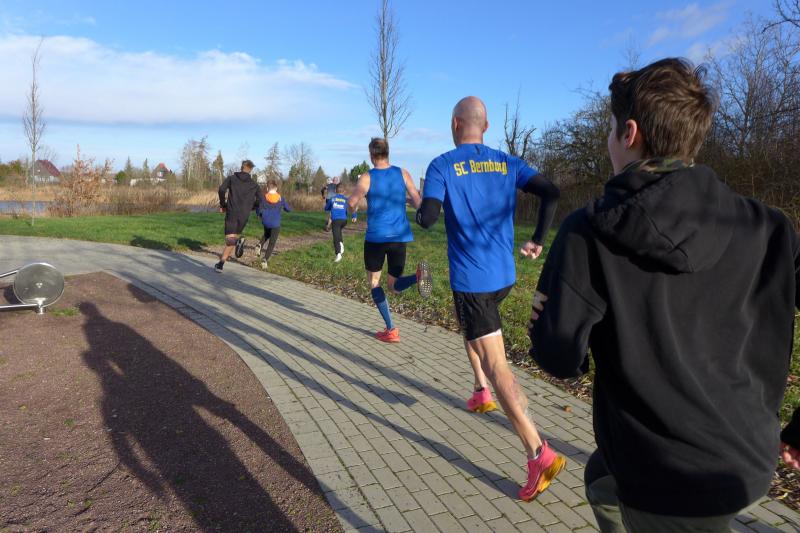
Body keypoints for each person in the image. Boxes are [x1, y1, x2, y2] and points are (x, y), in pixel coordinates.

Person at [528, 57, 800, 532]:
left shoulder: (589, 232)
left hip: (666, 478)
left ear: (630, 134)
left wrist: (547, 323)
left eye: (610, 130)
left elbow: (558, 355)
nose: (608, 141)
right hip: (748, 454)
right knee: (601, 479)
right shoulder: (769, 227)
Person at [416, 96, 563, 502]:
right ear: (486, 126)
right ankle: (481, 388)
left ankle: (539, 452)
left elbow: (427, 219)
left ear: (454, 124)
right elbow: (551, 193)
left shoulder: (442, 165)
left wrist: (416, 197)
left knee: (498, 364)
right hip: (503, 278)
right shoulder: (507, 162)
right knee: (474, 331)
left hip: (474, 282)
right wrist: (538, 239)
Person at [348, 137, 432, 343]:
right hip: (399, 237)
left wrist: (353, 207)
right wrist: (408, 202)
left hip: (376, 238)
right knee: (393, 286)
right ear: (388, 152)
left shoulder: (367, 177)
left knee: (374, 283)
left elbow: (351, 202)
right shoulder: (403, 173)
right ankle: (417, 276)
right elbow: (418, 201)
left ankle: (391, 329)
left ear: (371, 155)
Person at [215, 160, 260, 273]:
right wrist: (252, 207)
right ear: (250, 170)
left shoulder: (232, 179)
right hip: (244, 214)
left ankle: (237, 243)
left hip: (232, 211)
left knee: (230, 239)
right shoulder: (254, 184)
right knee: (232, 237)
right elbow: (261, 200)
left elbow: (221, 189)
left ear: (241, 167)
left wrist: (223, 204)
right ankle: (221, 264)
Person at [256, 180, 292, 270]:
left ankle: (259, 244)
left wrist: (259, 215)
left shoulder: (263, 197)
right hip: (275, 223)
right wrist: (287, 208)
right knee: (272, 242)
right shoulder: (281, 198)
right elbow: (288, 209)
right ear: (276, 188)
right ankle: (265, 259)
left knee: (267, 234)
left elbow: (259, 209)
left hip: (266, 221)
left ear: (267, 188)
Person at [325, 182, 357, 262]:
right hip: (344, 221)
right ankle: (341, 244)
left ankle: (338, 254)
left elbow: (326, 208)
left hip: (336, 221)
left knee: (335, 237)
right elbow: (352, 206)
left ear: (335, 190)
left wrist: (330, 206)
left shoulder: (332, 199)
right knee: (338, 232)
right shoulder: (346, 199)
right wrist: (354, 216)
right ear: (344, 191)